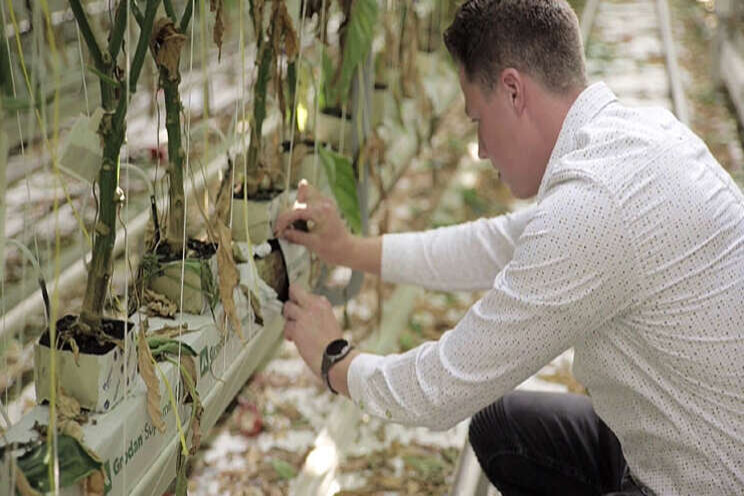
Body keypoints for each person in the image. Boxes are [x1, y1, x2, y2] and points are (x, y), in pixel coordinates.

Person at [274, 0, 744, 494]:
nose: (480, 149)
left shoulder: (594, 209)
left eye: (477, 118)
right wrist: (347, 249)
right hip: (684, 442)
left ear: (514, 91)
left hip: (709, 479)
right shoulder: (636, 138)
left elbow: (443, 388)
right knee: (502, 428)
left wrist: (335, 360)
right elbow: (492, 245)